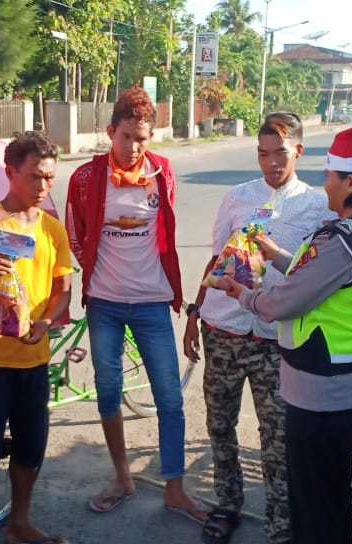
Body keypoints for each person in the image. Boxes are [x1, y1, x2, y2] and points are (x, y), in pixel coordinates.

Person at [214, 126, 352, 543]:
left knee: (314, 500)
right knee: (333, 491)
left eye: (331, 175)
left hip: (321, 393)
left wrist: (243, 294)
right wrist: (275, 252)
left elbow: (283, 303)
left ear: (350, 182)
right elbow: (320, 279)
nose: (326, 184)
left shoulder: (341, 241)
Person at [182, 112, 336, 544]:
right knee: (219, 425)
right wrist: (196, 312)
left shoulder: (319, 206)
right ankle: (227, 504)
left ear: (299, 152)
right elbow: (217, 260)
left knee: (277, 437)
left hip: (276, 339)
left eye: (280, 154)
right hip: (224, 330)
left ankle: (280, 524)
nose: (270, 163)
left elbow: (318, 273)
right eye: (263, 154)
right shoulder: (236, 197)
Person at [65, 85, 209, 524]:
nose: (134, 147)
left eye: (142, 138)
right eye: (126, 136)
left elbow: (166, 230)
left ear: (152, 137)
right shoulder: (87, 178)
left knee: (169, 397)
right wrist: (97, 273)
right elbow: (76, 233)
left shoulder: (162, 173)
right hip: (105, 305)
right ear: (111, 132)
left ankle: (176, 490)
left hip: (151, 305)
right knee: (108, 393)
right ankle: (123, 478)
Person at [0, 131, 73, 544]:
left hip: (35, 360)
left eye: (49, 178)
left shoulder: (52, 230)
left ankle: (19, 523)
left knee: (31, 449)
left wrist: (45, 323)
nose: (43, 187)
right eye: (34, 177)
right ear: (10, 173)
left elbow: (64, 290)